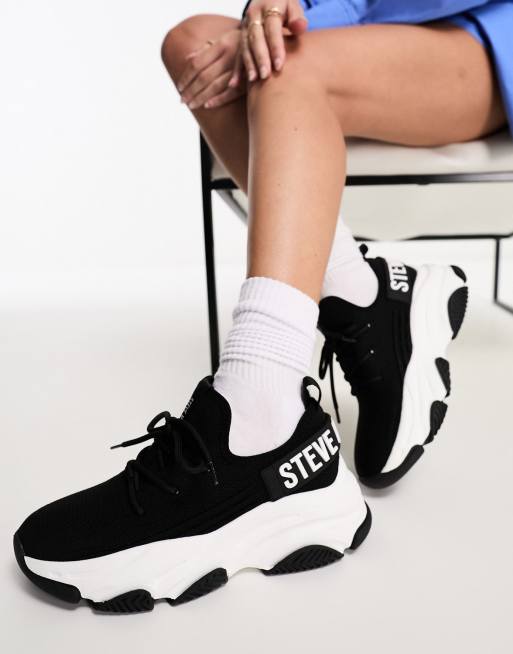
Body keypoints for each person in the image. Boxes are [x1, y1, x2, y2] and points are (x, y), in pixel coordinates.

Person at [14, 1, 511, 613]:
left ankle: (262, 418)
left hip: (489, 30)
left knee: (283, 69)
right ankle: (362, 300)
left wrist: (297, 27)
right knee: (194, 42)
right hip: (365, 18)